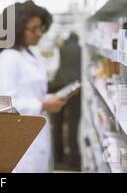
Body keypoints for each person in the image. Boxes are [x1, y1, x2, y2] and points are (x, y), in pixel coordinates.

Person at [0, 0, 67, 173]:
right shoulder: (9, 58)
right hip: (20, 141)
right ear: (17, 31)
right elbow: (3, 106)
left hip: (35, 133)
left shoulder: (27, 53)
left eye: (40, 28)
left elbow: (29, 93)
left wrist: (50, 99)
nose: (39, 33)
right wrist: (42, 105)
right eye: (33, 29)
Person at [50, 32, 82, 170]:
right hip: (75, 87)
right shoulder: (81, 49)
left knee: (57, 121)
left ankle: (58, 155)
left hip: (59, 84)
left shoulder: (62, 48)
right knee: (73, 122)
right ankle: (74, 158)